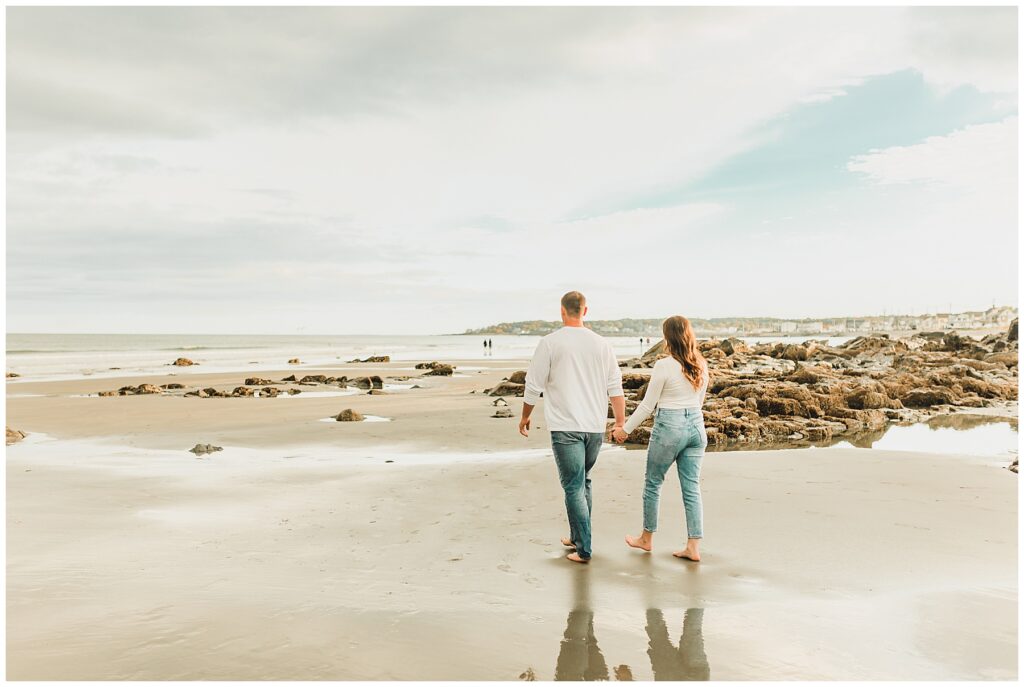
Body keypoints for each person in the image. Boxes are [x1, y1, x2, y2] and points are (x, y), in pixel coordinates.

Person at [520, 291, 625, 563]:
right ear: (585, 311)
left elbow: (534, 385)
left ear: (562, 311)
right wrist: (621, 421)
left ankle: (584, 549)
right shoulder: (602, 345)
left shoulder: (550, 343)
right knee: (583, 481)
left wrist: (525, 416)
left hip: (566, 427)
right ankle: (577, 536)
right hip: (594, 428)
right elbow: (616, 388)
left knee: (573, 486)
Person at [612, 316, 709, 562]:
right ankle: (693, 546)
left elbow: (647, 406)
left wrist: (625, 430)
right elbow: (699, 402)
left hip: (670, 426)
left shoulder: (665, 365)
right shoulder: (700, 363)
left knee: (653, 482)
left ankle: (646, 539)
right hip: (697, 427)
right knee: (692, 487)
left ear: (668, 337)